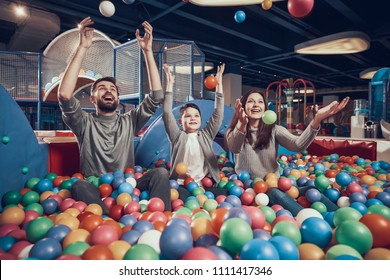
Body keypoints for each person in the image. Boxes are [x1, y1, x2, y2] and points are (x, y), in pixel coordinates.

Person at [58, 17, 171, 214]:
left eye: (113, 89)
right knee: (78, 186)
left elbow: (156, 96)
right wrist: (83, 48)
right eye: (102, 88)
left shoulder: (129, 121)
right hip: (96, 187)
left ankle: (160, 219)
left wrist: (146, 51)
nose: (108, 91)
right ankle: (107, 225)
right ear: (92, 98)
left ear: (118, 98)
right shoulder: (83, 122)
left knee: (160, 173)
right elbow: (65, 95)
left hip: (127, 188)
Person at [225, 89, 350, 216]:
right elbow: (234, 147)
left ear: (265, 108)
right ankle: (308, 218)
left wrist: (317, 119)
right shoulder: (234, 131)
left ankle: (344, 215)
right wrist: (241, 124)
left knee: (311, 190)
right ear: (243, 107)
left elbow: (298, 145)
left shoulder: (274, 130)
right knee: (275, 193)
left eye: (260, 102)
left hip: (274, 182)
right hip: (249, 187)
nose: (256, 104)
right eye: (250, 102)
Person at [162, 63, 228, 201]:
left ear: (201, 120)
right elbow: (167, 113)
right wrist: (169, 84)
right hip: (182, 184)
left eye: (196, 115)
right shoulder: (177, 136)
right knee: (184, 200)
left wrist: (219, 84)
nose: (192, 118)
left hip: (205, 183)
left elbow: (218, 114)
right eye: (188, 116)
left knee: (225, 196)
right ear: (180, 122)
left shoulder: (206, 135)